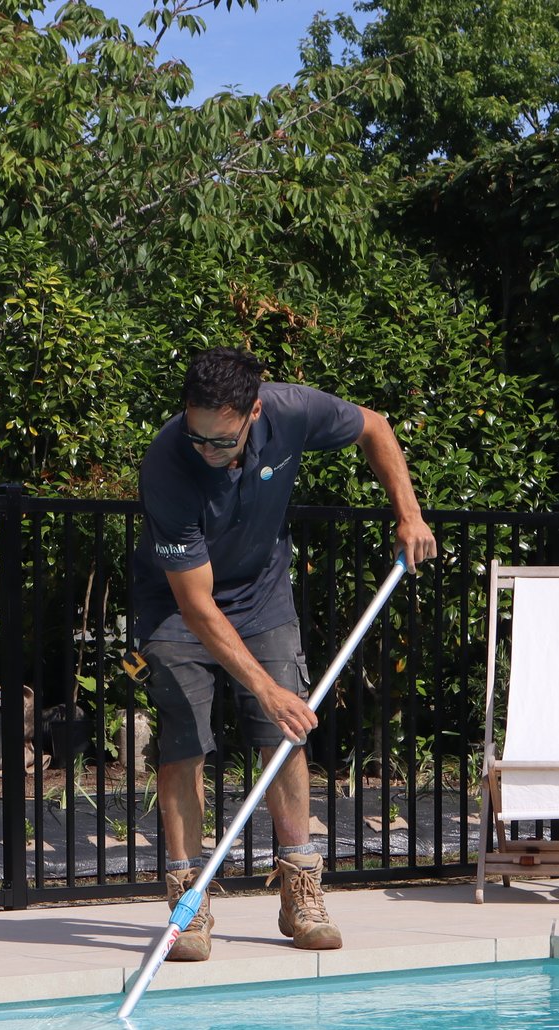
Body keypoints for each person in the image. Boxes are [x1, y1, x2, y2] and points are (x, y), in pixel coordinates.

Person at [132, 347, 436, 961]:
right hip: (178, 604)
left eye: (221, 442)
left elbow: (374, 425)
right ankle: (188, 904)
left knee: (286, 733)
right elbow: (197, 608)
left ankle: (301, 891)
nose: (207, 453)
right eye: (197, 437)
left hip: (262, 594)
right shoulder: (168, 463)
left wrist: (408, 513)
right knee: (184, 743)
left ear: (254, 413)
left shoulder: (293, 411)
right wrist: (266, 689)